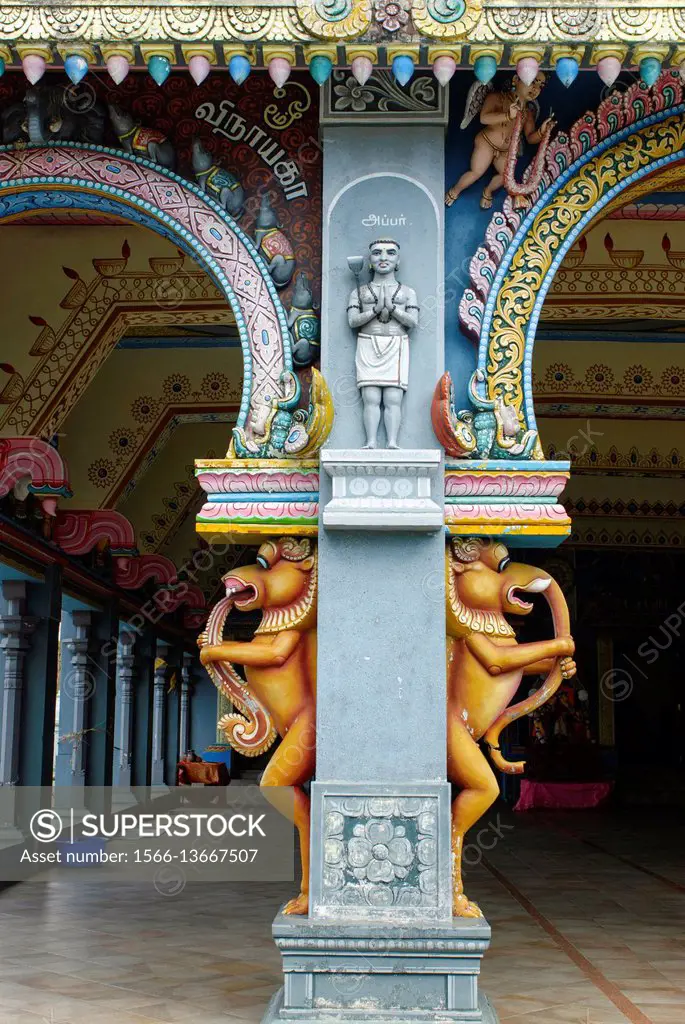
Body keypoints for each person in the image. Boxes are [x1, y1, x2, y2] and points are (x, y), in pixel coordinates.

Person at [347, 238, 419, 449]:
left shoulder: (407, 292)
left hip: (396, 343)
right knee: (370, 396)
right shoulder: (359, 292)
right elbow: (352, 321)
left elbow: (413, 322)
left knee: (393, 397)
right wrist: (375, 310)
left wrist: (393, 309)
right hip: (368, 342)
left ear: (398, 261)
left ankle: (392, 442)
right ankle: (370, 442)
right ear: (370, 260)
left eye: (390, 253)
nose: (384, 258)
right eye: (377, 253)